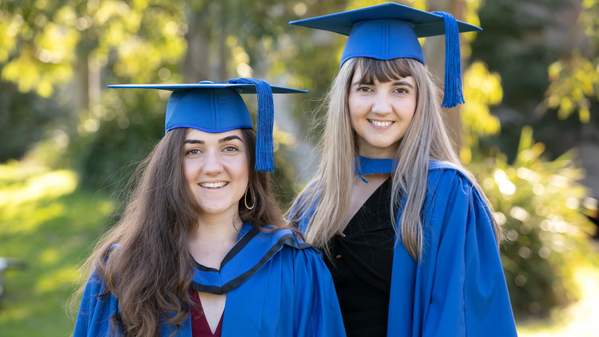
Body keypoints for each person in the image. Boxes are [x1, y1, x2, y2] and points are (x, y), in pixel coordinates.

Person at [287, 3, 518, 337]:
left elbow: (460, 320)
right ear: (345, 97)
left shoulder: (446, 194)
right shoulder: (314, 202)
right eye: (365, 88)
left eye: (400, 89)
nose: (382, 107)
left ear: (419, 99)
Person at [73, 78, 347, 337]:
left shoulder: (296, 266)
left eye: (230, 148)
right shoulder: (123, 271)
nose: (213, 167)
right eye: (193, 151)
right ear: (171, 166)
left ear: (251, 163)